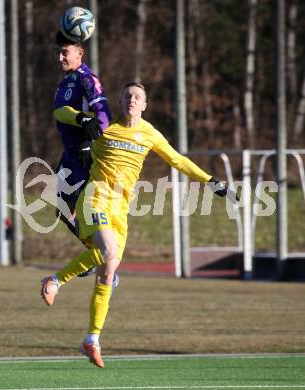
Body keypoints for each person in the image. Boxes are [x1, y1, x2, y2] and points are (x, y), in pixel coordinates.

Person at [41, 82, 237, 368]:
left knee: (108, 271)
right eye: (127, 96)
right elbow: (61, 112)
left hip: (120, 209)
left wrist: (210, 181)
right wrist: (81, 117)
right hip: (94, 198)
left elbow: (178, 160)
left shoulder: (149, 134)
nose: (132, 100)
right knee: (107, 252)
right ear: (121, 102)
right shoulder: (104, 125)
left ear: (145, 105)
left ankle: (91, 339)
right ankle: (54, 280)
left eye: (137, 97)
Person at [53, 31, 118, 285]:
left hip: (84, 155)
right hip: (68, 155)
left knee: (85, 210)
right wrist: (77, 118)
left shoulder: (87, 79)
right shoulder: (65, 81)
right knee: (60, 207)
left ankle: (103, 259)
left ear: (80, 53)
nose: (60, 57)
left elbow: (103, 115)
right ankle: (96, 254)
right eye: (59, 52)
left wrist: (90, 143)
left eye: (65, 52)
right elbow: (59, 112)